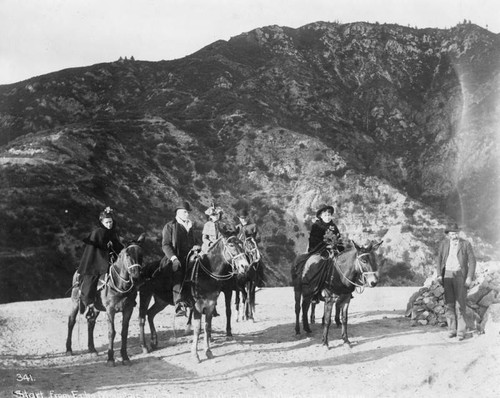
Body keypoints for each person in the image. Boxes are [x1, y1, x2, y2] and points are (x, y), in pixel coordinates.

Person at [78, 206, 124, 319]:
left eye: (111, 222)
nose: (109, 224)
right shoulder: (97, 232)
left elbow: (117, 246)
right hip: (96, 260)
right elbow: (96, 248)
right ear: (102, 222)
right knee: (91, 279)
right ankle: (89, 302)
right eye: (107, 222)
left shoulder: (113, 232)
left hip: (111, 259)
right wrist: (106, 250)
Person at [436, 223, 476, 341]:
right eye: (452, 234)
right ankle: (452, 330)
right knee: (449, 304)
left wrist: (469, 277)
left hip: (460, 276)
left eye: (456, 233)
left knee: (460, 304)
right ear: (448, 235)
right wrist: (439, 275)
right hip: (447, 275)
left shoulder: (465, 244)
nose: (455, 236)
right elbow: (438, 260)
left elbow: (472, 262)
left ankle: (461, 332)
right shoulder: (443, 244)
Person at [161, 201, 200, 316]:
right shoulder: (170, 226)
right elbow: (166, 245)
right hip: (175, 257)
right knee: (178, 273)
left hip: (191, 257)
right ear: (178, 213)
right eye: (185, 212)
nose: (187, 214)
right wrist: (174, 258)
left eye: (188, 212)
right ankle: (179, 305)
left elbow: (195, 241)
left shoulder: (190, 226)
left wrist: (197, 246)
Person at [235, 208, 265, 287]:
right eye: (242, 218)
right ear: (239, 219)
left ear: (248, 217)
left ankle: (260, 279)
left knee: (259, 260)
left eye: (245, 217)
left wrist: (253, 239)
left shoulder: (253, 226)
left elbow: (258, 237)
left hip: (251, 247)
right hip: (240, 248)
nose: (244, 219)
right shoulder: (237, 228)